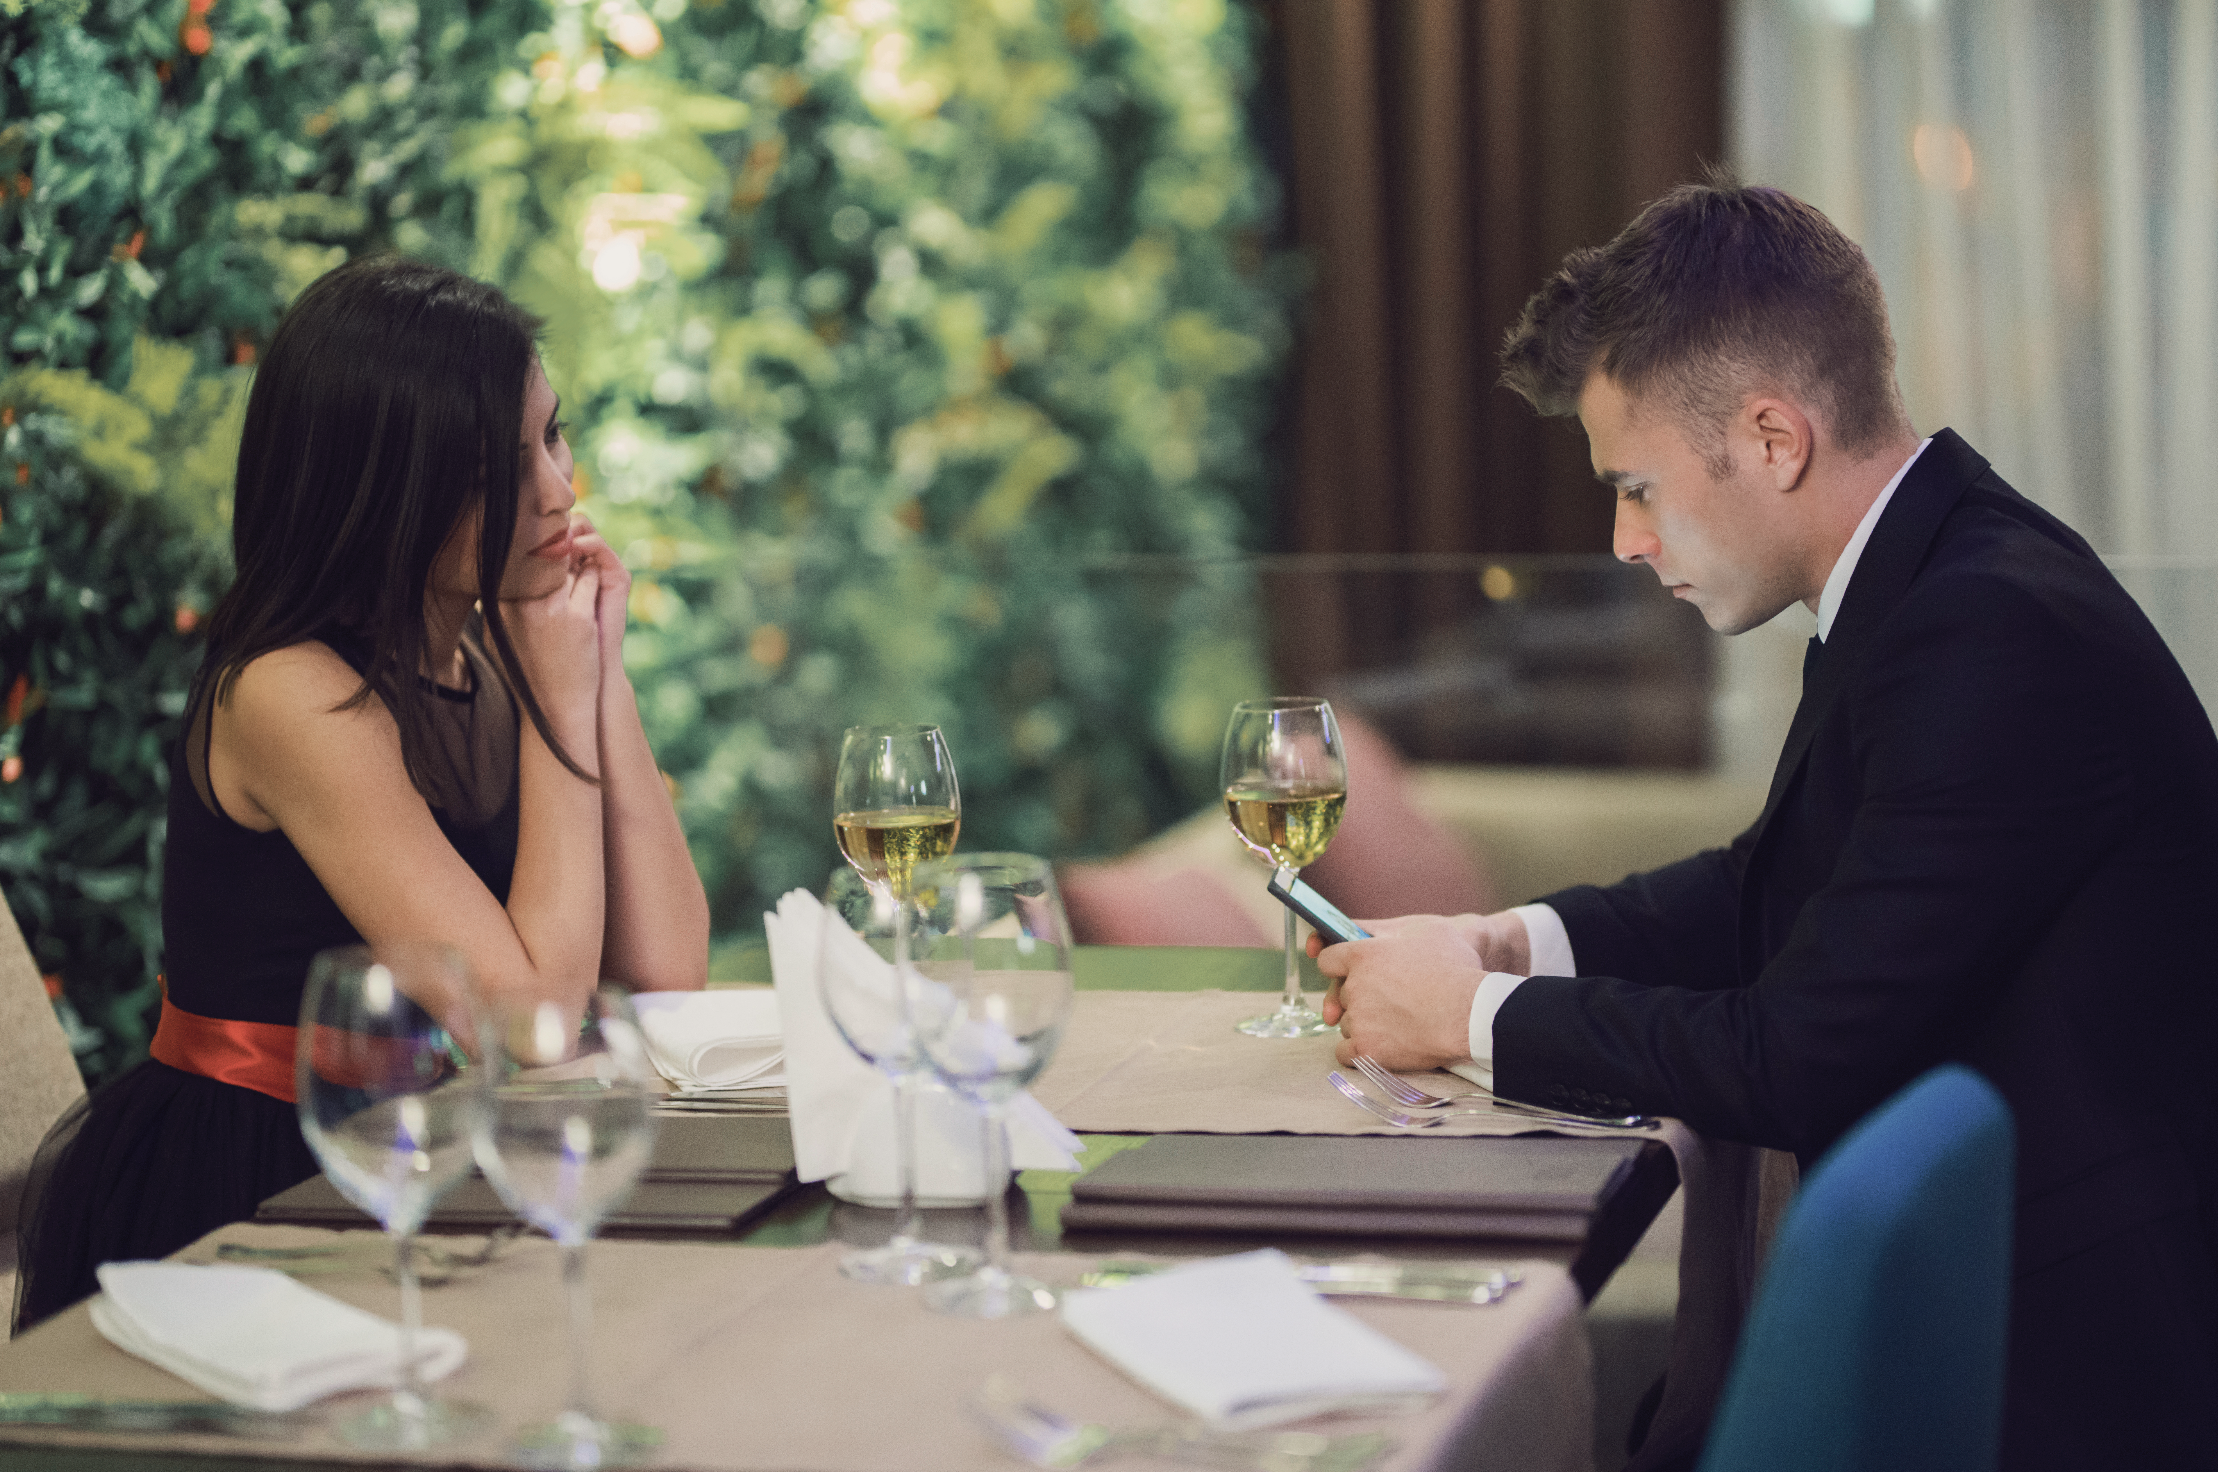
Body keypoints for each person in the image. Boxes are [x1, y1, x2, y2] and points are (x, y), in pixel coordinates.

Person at [1312, 181, 2218, 1470]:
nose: (1623, 541)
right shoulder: (1935, 574)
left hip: (2059, 1356)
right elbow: (1775, 883)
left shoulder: (1986, 632)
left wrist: (1462, 1017)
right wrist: (1505, 939)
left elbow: (1796, 1054)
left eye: (1635, 488)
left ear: (1775, 439)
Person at [14, 257, 710, 1330]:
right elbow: (529, 1026)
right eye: (497, 467)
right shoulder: (291, 693)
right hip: (257, 1190)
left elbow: (667, 967)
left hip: (429, 1150)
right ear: (384, 487)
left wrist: (599, 675)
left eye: (552, 436)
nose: (559, 491)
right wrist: (563, 709)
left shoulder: (489, 649)